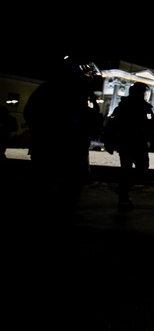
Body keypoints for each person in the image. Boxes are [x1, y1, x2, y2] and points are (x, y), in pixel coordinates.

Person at [24, 56, 103, 219]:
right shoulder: (52, 88)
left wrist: (93, 125)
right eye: (88, 74)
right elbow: (31, 113)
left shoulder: (86, 93)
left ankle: (61, 214)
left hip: (76, 146)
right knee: (43, 181)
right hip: (50, 145)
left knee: (74, 182)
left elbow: (93, 116)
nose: (91, 77)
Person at [104, 82, 154, 211]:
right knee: (131, 169)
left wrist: (153, 141)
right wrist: (109, 142)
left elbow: (151, 127)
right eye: (144, 92)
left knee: (138, 169)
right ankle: (124, 195)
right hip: (130, 143)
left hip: (133, 144)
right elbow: (113, 124)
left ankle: (123, 189)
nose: (145, 95)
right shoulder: (127, 107)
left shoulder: (140, 107)